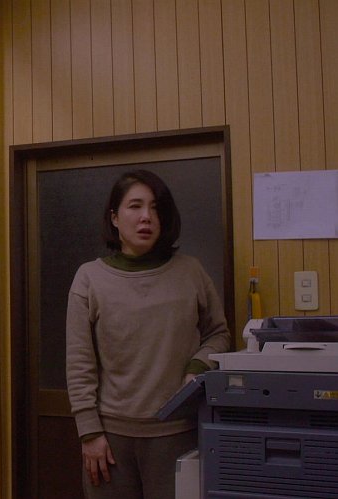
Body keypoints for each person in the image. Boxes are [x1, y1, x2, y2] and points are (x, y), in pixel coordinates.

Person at [65, 169, 230, 499]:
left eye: (155, 208)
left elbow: (219, 334)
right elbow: (79, 362)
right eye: (135, 206)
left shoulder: (191, 272)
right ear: (114, 217)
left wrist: (197, 367)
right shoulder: (89, 278)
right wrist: (89, 432)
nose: (146, 217)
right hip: (110, 439)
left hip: (178, 433)